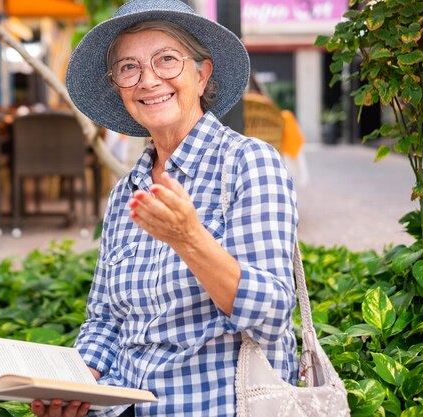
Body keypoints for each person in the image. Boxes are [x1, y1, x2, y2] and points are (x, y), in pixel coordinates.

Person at [32, 1, 298, 416]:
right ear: (119, 86)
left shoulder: (248, 163)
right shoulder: (126, 192)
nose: (148, 80)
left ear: (201, 72)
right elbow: (104, 320)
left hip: (218, 405)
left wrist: (190, 240)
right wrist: (77, 384)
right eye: (129, 68)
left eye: (167, 60)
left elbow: (272, 314)